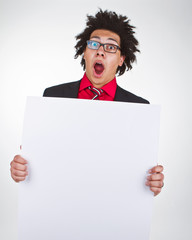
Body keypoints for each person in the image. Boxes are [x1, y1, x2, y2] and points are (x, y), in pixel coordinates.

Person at [10, 9, 164, 196]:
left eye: (110, 47)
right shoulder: (52, 96)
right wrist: (22, 168)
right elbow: (39, 160)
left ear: (121, 59)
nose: (100, 51)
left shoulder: (139, 109)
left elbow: (139, 174)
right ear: (84, 52)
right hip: (60, 204)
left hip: (112, 209)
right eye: (94, 44)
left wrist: (152, 184)